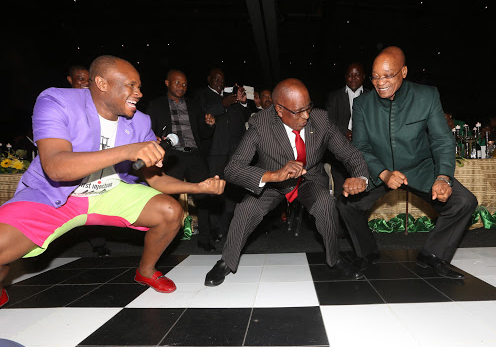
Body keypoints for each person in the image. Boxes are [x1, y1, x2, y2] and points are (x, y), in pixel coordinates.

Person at [0, 55, 225, 319]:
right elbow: (56, 167)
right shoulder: (57, 101)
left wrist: (198, 187)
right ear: (101, 83)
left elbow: (156, 180)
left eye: (140, 86)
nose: (139, 93)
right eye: (131, 86)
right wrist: (127, 150)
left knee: (170, 211)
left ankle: (146, 272)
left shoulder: (140, 122)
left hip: (110, 193)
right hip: (55, 196)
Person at [204, 78, 370, 286]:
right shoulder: (260, 125)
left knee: (326, 204)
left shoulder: (320, 120)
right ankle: (226, 262)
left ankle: (334, 260)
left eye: (308, 107)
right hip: (273, 182)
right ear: (280, 110)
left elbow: (350, 153)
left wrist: (360, 176)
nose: (306, 115)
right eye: (299, 111)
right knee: (246, 209)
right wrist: (273, 176)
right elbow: (233, 168)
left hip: (309, 180)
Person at [337, 46, 478, 278]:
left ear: (403, 72)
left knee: (464, 202)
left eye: (387, 75)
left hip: (419, 168)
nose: (380, 82)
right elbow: (360, 147)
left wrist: (443, 177)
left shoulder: (427, 96)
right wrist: (383, 174)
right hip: (379, 170)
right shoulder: (362, 104)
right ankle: (368, 253)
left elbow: (442, 140)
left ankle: (433, 255)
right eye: (375, 76)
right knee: (346, 204)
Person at [145, 69, 217, 251]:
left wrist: (209, 125)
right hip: (171, 156)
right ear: (167, 83)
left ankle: (205, 239)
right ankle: (166, 240)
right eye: (177, 83)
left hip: (194, 154)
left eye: (184, 84)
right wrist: (154, 138)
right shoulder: (156, 105)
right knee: (167, 198)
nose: (181, 87)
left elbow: (203, 133)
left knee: (204, 195)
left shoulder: (194, 105)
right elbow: (147, 130)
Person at [198, 68, 251, 241]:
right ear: (209, 79)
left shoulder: (231, 96)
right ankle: (216, 229)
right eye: (216, 80)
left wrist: (242, 103)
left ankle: (229, 227)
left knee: (233, 189)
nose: (220, 83)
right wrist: (223, 104)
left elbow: (244, 118)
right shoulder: (203, 95)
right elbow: (201, 114)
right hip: (216, 150)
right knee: (215, 189)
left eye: (222, 80)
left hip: (236, 150)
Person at [66, 64, 111, 257]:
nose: (85, 83)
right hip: (69, 158)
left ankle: (98, 243)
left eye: (88, 79)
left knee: (93, 198)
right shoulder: (63, 101)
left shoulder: (97, 101)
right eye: (80, 79)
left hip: (95, 157)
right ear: (70, 80)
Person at [324, 62, 369, 198]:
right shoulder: (334, 97)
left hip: (365, 149)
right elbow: (329, 122)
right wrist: (345, 132)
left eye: (357, 75)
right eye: (350, 75)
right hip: (340, 149)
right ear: (345, 77)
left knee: (363, 186)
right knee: (341, 190)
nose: (353, 78)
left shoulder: (372, 96)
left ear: (363, 77)